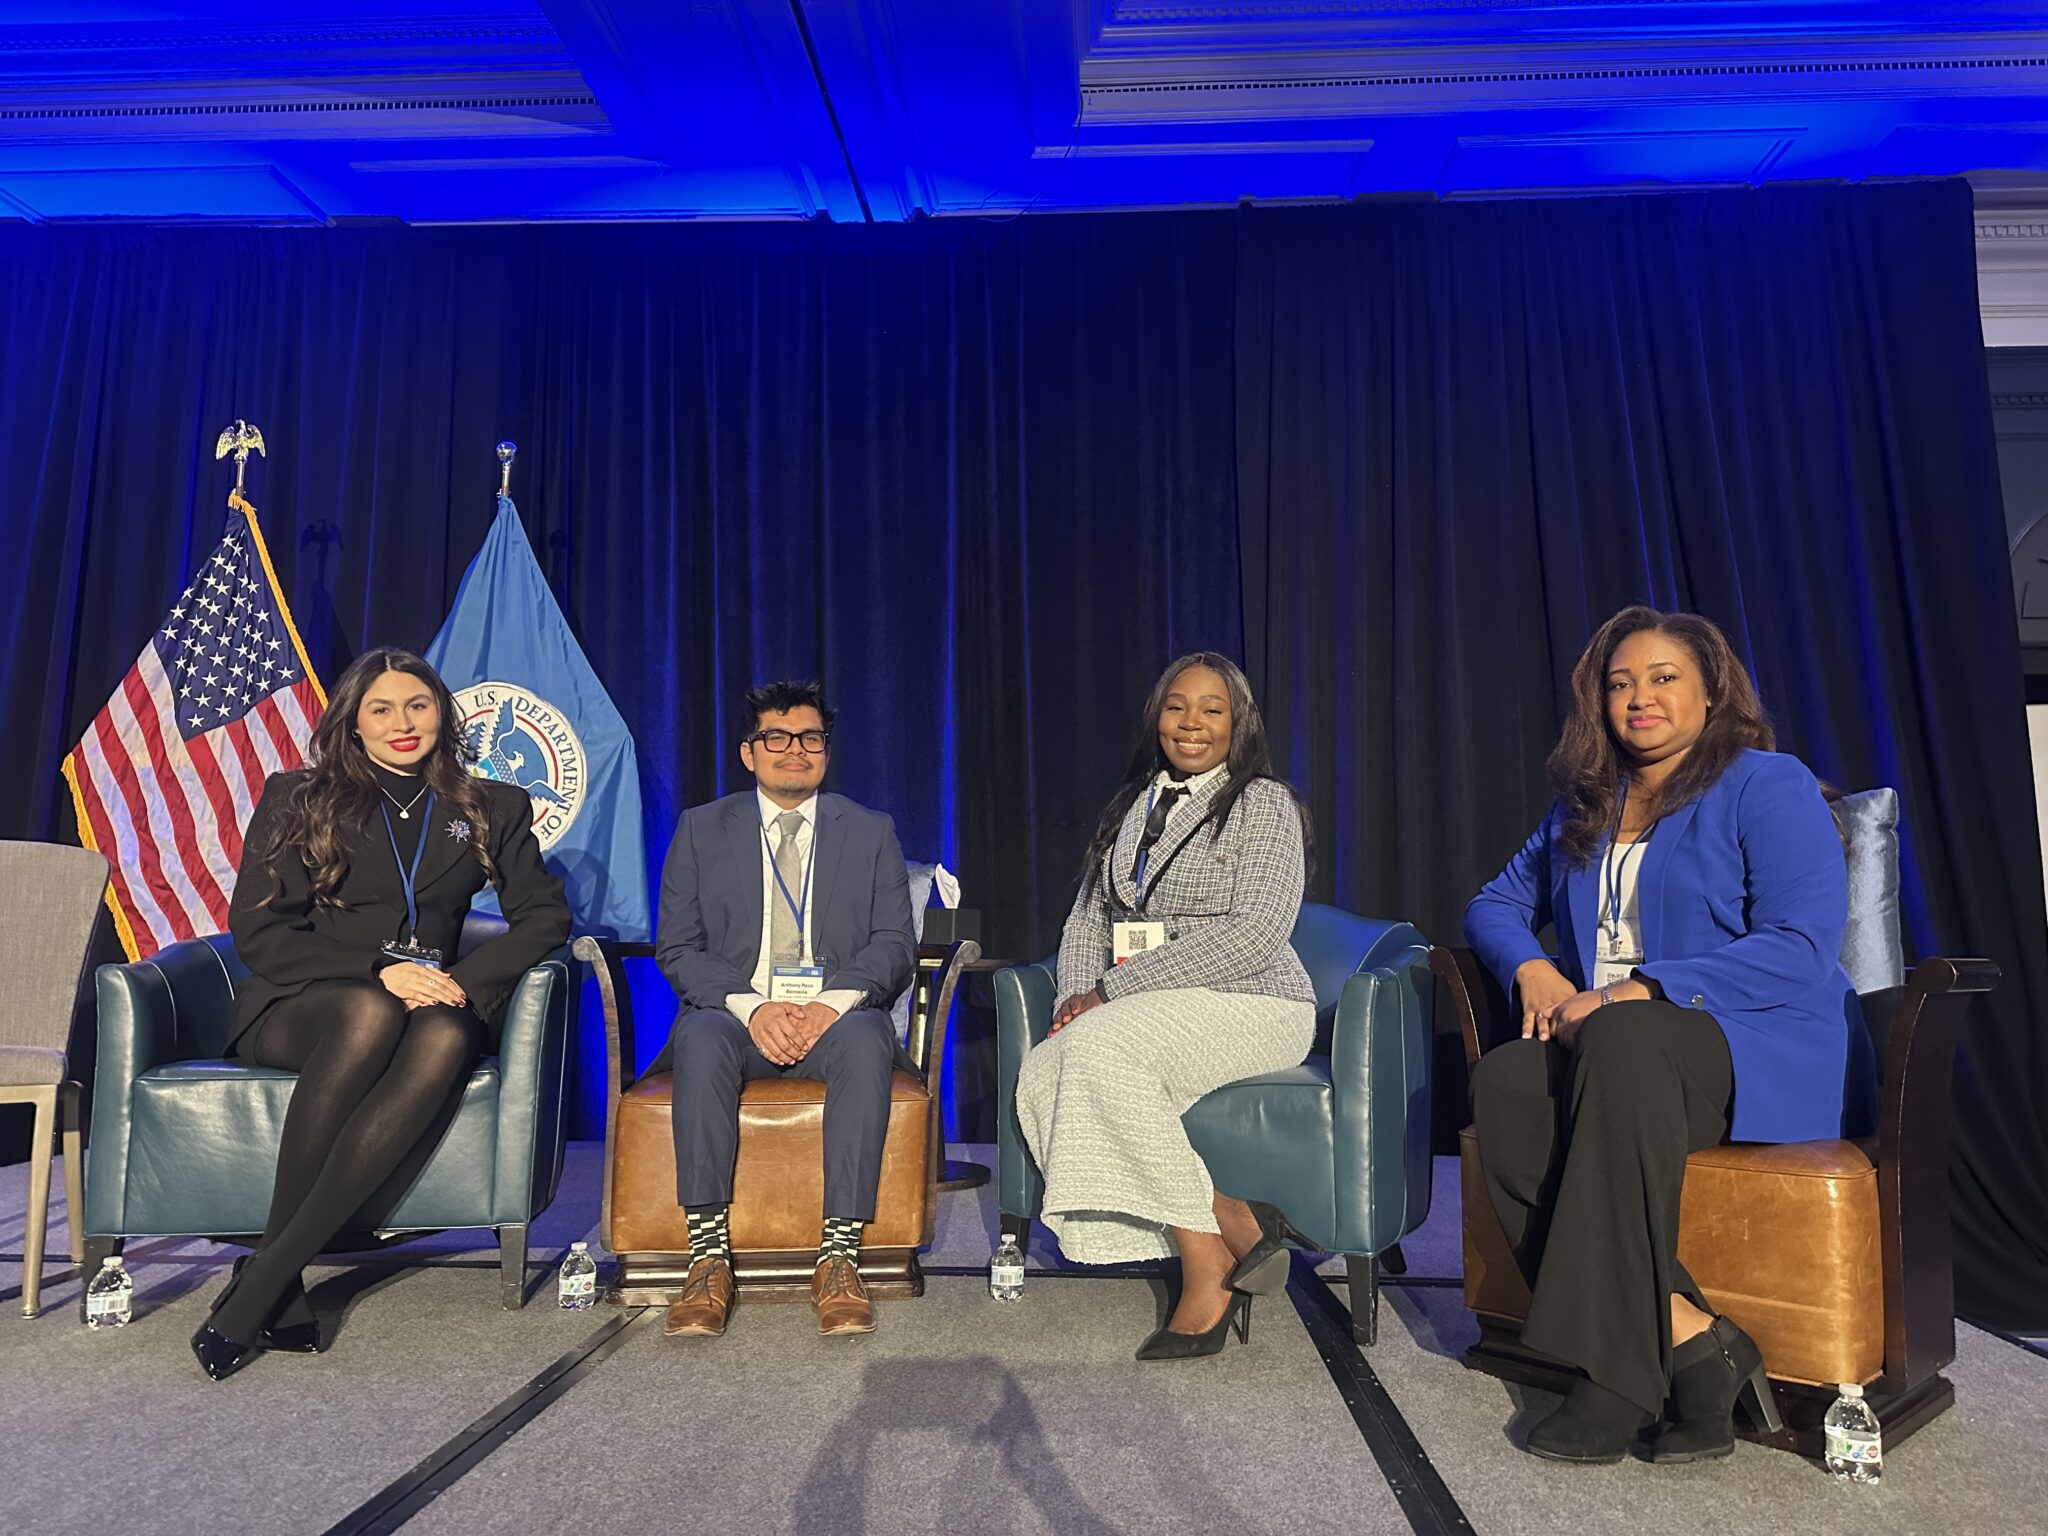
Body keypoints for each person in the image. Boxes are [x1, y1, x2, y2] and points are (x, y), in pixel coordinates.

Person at [1465, 605, 1874, 1464]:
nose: (1639, 698)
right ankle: (1695, 1342)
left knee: (1627, 1039)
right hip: (1623, 1052)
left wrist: (1640, 991)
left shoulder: (1767, 782)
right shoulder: (1585, 805)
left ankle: (1615, 1378)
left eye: (1662, 679)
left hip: (1754, 1039)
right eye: (1620, 683)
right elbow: (1494, 904)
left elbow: (1800, 945)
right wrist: (1530, 969)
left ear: (1710, 690)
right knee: (1507, 1079)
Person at [201, 648, 570, 1381]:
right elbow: (262, 932)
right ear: (354, 725)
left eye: (418, 706)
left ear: (442, 714)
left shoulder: (491, 805)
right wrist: (381, 970)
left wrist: (457, 984)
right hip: (306, 1001)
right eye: (381, 710)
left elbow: (543, 919)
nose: (403, 724)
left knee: (442, 1035)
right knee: (370, 1012)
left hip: (434, 999)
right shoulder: (298, 798)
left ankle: (269, 1271)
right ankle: (277, 1275)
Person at [1016, 652, 1316, 1361]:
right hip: (1152, 1010)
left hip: (1256, 1002)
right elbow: (1089, 921)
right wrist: (1070, 999)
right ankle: (1225, 1215)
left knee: (1099, 1047)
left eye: (1212, 710)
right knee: (1044, 1067)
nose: (1191, 723)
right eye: (1177, 706)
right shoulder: (1131, 806)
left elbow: (1258, 933)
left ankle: (1203, 1258)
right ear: (1157, 718)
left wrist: (1110, 992)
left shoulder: (1264, 803)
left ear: (1238, 724)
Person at [653, 680, 915, 1340]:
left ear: (827, 750)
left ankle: (839, 1259)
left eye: (810, 738)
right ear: (749, 753)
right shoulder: (699, 829)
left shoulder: (871, 830)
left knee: (864, 1038)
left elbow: (893, 945)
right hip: (736, 1018)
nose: (793, 750)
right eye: (776, 737)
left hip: (835, 1021)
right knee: (702, 1037)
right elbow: (679, 947)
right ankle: (707, 1259)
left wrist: (827, 1006)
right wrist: (753, 1006)